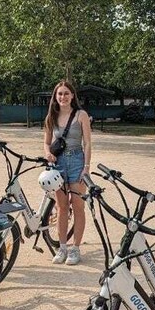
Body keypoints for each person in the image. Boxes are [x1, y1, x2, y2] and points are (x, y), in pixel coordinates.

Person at [44, 80, 92, 266]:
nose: (63, 97)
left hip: (77, 161)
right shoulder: (52, 117)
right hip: (58, 163)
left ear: (72, 95)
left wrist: (86, 167)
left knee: (78, 205)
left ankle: (75, 248)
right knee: (61, 207)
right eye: (59, 94)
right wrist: (48, 154)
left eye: (66, 93)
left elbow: (87, 143)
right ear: (55, 97)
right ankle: (62, 246)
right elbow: (47, 141)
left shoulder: (81, 115)